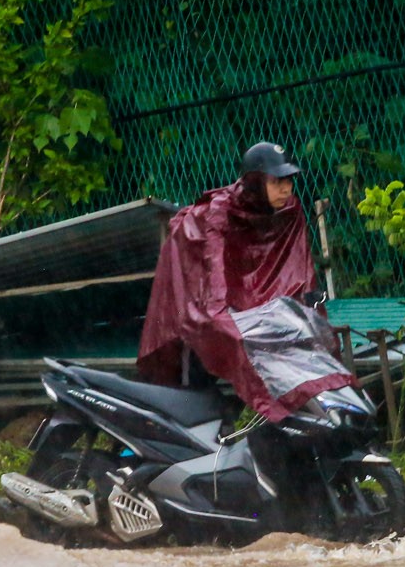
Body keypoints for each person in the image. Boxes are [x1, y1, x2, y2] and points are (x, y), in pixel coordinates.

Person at [137, 141, 351, 420]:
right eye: (277, 181)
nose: (286, 189)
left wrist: (312, 314)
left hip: (255, 312)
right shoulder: (219, 212)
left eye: (289, 181)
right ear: (254, 181)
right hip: (199, 310)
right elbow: (211, 276)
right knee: (194, 393)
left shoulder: (289, 211)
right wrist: (219, 316)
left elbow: (300, 270)